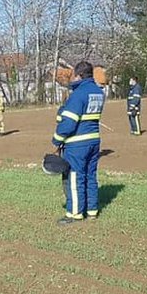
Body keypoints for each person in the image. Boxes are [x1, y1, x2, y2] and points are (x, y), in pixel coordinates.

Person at [51, 61, 105, 225]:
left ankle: (74, 214)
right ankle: (92, 211)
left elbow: (68, 122)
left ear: (79, 74)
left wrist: (56, 140)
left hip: (77, 144)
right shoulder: (98, 92)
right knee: (90, 176)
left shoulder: (78, 94)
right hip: (94, 141)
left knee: (75, 178)